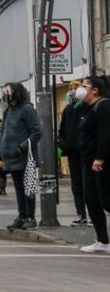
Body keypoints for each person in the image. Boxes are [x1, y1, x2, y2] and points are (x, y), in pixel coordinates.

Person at [0, 82, 42, 231]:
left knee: (28, 187)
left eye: (9, 91)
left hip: (25, 156)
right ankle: (22, 216)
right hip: (10, 158)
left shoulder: (27, 109)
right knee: (18, 188)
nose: (6, 94)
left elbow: (37, 132)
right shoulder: (7, 111)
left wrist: (22, 147)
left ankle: (30, 217)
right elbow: (3, 131)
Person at [76, 76, 110, 254]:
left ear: (94, 90)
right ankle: (103, 241)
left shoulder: (103, 105)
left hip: (101, 163)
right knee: (91, 200)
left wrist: (100, 157)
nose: (80, 89)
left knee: (106, 200)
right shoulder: (86, 108)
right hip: (88, 162)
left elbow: (106, 133)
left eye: (84, 86)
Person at [59, 81, 88, 226]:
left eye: (76, 88)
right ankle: (80, 214)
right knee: (76, 185)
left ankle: (91, 214)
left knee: (88, 184)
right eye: (71, 89)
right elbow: (62, 130)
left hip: (86, 152)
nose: (74, 90)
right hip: (72, 152)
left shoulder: (88, 107)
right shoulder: (68, 110)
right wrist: (64, 143)